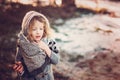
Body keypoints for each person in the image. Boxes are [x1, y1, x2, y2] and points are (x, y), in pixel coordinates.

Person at [13, 11, 60, 80]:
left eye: (41, 28)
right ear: (27, 30)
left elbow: (56, 61)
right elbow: (19, 64)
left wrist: (46, 49)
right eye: (34, 29)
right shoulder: (23, 45)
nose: (38, 32)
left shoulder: (49, 42)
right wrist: (21, 71)